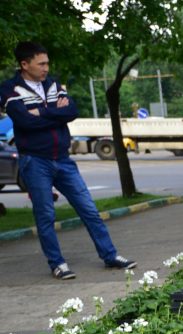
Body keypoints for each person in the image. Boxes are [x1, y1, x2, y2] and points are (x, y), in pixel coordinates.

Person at [0, 42, 135, 279]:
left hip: (63, 159)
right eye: (41, 63)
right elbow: (24, 122)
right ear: (25, 64)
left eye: (47, 63)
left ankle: (110, 255)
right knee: (45, 215)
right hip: (35, 161)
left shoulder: (52, 83)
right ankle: (58, 263)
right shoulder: (10, 89)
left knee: (89, 210)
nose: (46, 68)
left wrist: (41, 112)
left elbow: (71, 111)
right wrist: (55, 113)